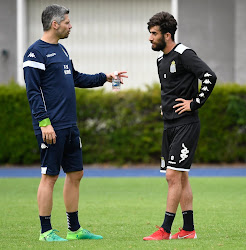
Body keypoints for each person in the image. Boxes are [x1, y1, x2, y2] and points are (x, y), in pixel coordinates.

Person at [23, 4, 127, 242]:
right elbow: (32, 92)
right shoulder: (34, 54)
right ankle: (46, 231)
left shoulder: (62, 51)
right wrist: (44, 122)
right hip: (51, 126)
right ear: (55, 24)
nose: (71, 26)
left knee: (76, 173)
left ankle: (74, 229)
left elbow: (76, 77)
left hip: (70, 125)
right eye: (68, 22)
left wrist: (105, 77)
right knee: (49, 177)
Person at [143, 12, 217, 240]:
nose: (150, 38)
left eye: (154, 34)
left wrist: (194, 103)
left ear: (167, 34)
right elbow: (171, 90)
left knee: (172, 176)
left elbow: (209, 77)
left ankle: (164, 230)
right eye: (149, 34)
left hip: (186, 124)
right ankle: (188, 229)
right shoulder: (160, 60)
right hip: (170, 126)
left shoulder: (184, 54)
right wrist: (164, 106)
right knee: (181, 177)